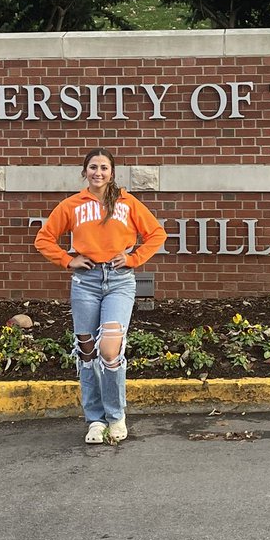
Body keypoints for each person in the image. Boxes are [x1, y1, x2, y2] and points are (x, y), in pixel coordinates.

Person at [34, 147, 166, 444]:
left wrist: (133, 259)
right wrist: (69, 260)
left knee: (109, 349)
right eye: (93, 167)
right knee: (86, 350)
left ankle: (116, 415)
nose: (98, 172)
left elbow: (156, 233)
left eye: (104, 167)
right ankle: (95, 419)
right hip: (86, 281)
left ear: (112, 173)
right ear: (85, 172)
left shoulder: (127, 203)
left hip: (119, 281)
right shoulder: (72, 205)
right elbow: (43, 239)